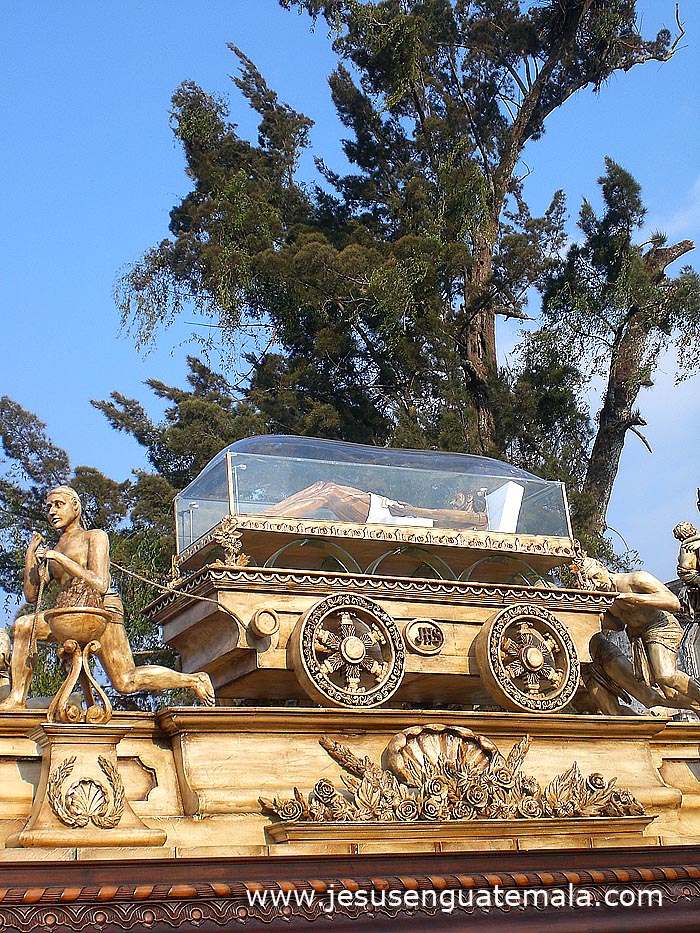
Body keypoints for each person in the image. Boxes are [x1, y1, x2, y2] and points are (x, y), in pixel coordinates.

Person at [0, 485, 215, 710]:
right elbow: (32, 595)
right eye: (48, 507)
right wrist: (30, 556)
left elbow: (100, 583)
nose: (52, 511)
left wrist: (59, 558)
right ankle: (17, 697)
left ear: (75, 506)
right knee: (24, 626)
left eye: (58, 505)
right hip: (69, 614)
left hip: (102, 611)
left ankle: (193, 680)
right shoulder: (55, 548)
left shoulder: (94, 537)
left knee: (125, 681)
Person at [576, 556, 700, 712]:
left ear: (601, 566)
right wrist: (598, 614)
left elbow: (673, 602)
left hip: (659, 627)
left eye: (595, 576)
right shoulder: (606, 598)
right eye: (590, 583)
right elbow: (618, 626)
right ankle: (696, 707)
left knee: (666, 676)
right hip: (639, 639)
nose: (596, 583)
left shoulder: (635, 579)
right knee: (668, 693)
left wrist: (634, 598)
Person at [261, 480, 488, 529]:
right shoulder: (464, 519)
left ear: (471, 498)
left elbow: (443, 515)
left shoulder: (477, 520)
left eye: (459, 496)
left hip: (386, 518)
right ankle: (269, 514)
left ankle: (267, 521)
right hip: (390, 513)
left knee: (329, 493)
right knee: (324, 486)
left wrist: (411, 510)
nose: (453, 499)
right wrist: (410, 510)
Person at [673, 521, 700, 621]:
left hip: (687, 575)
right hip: (690, 575)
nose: (694, 529)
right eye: (691, 528)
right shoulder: (690, 544)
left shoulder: (687, 543)